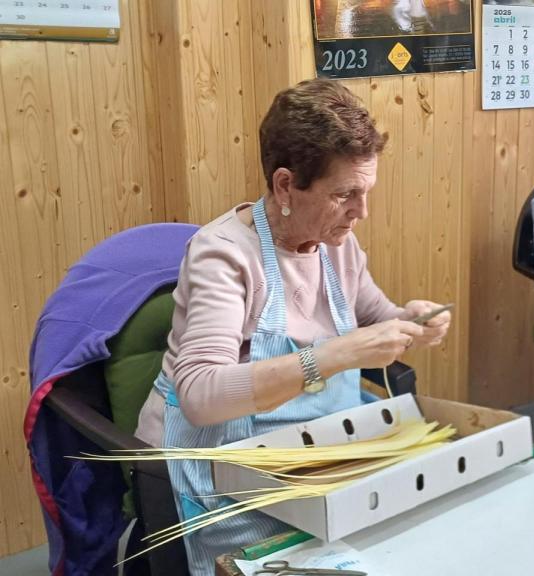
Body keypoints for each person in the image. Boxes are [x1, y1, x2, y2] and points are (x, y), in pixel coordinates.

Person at [135, 78, 451, 575]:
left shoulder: (336, 242)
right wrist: (338, 354)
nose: (361, 213)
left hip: (313, 455)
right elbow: (199, 395)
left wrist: (410, 320)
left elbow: (374, 315)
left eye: (366, 192)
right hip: (228, 466)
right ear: (286, 185)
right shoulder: (223, 256)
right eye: (345, 194)